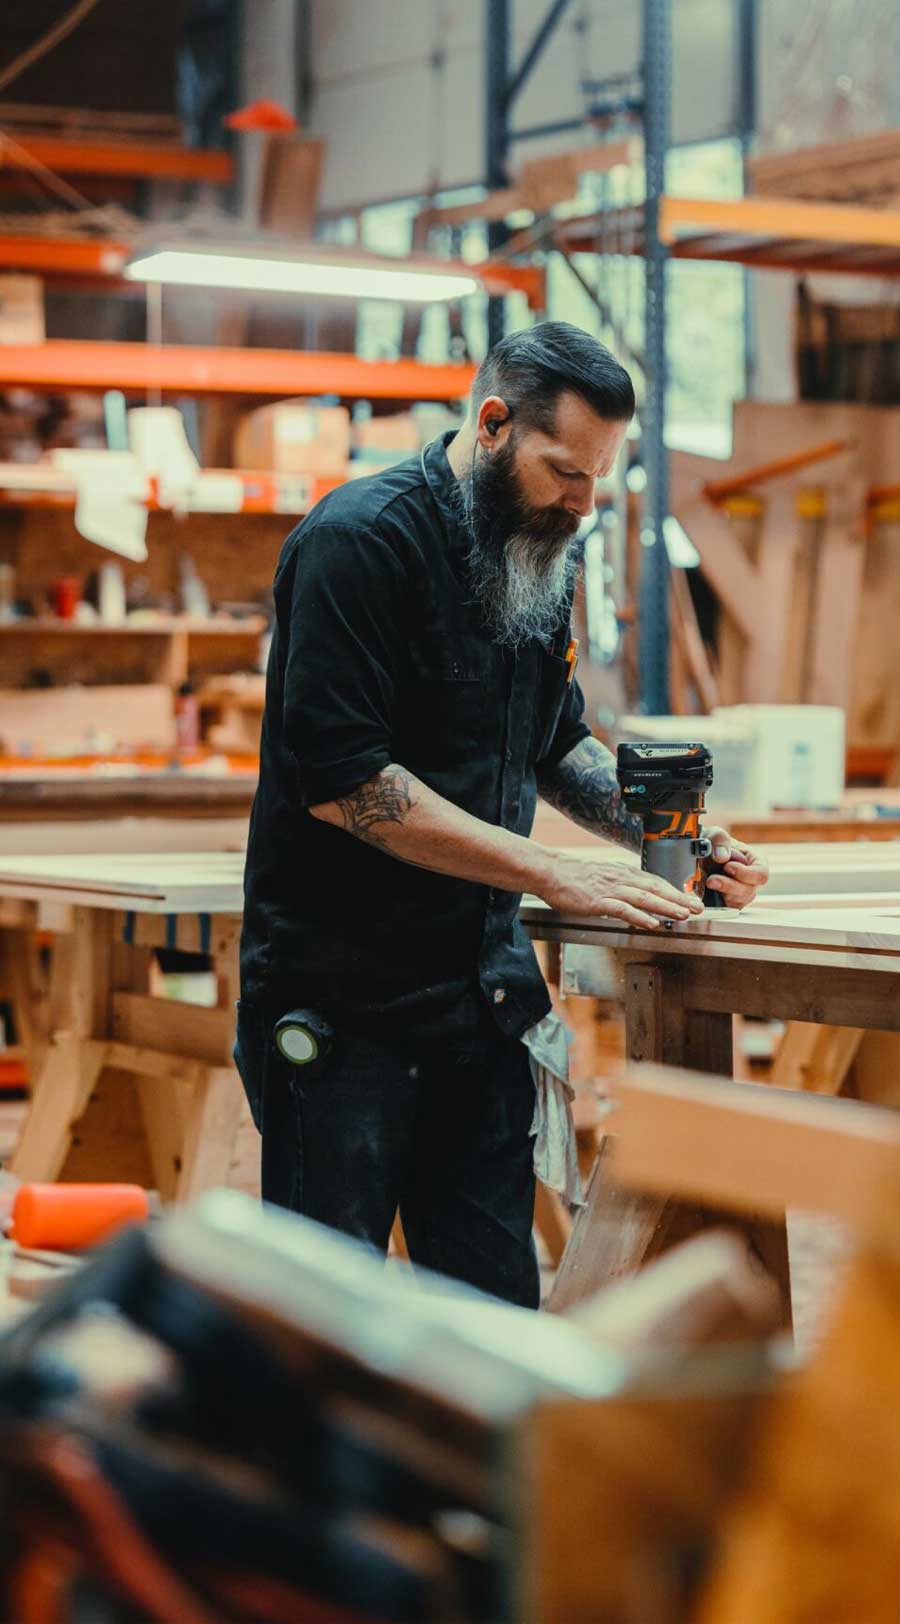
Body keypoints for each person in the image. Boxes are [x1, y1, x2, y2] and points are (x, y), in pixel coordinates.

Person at [237, 322, 768, 1307]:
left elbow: (557, 743)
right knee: (322, 1323)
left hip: (476, 1003)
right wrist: (550, 872)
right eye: (565, 469)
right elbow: (345, 781)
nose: (584, 501)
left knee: (491, 1321)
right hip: (339, 1004)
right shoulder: (358, 541)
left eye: (599, 475)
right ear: (491, 425)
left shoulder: (536, 552)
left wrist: (675, 842)